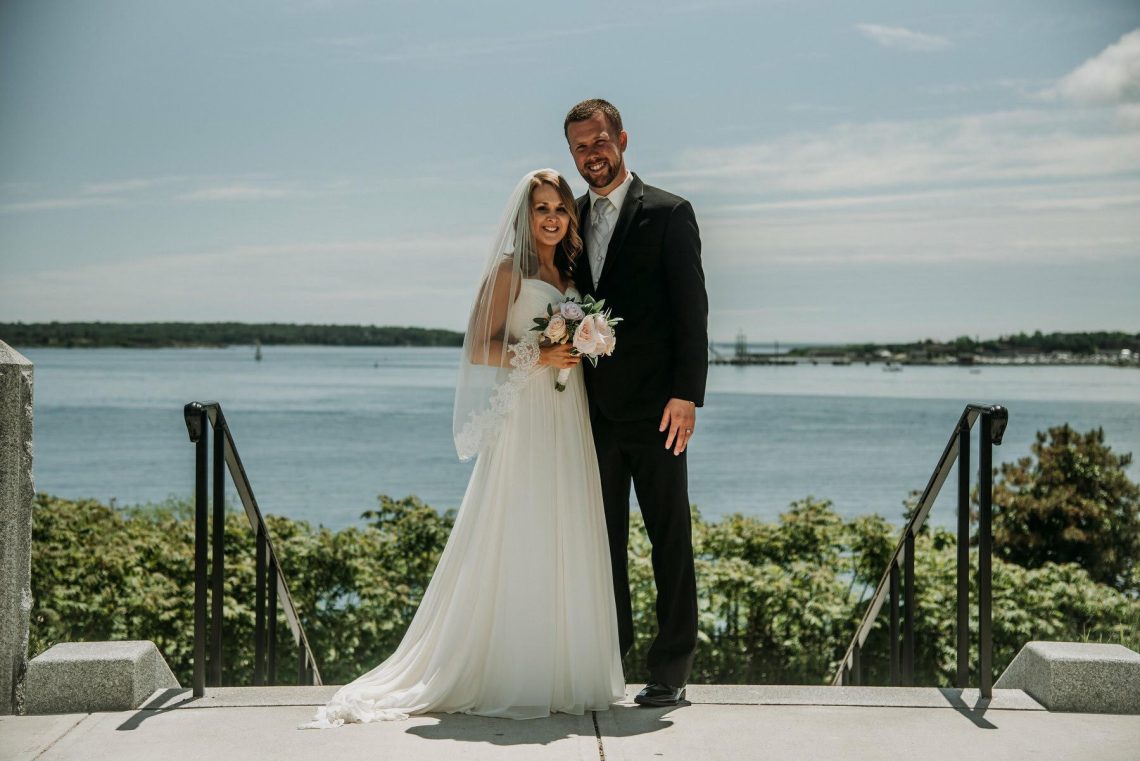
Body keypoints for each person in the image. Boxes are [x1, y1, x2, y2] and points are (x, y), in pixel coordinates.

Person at [299, 169, 624, 728]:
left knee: (564, 522)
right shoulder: (509, 271)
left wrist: (586, 340)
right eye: (541, 208)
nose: (551, 218)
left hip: (567, 414)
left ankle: (563, 668)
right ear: (525, 217)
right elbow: (478, 348)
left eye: (560, 209)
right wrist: (539, 355)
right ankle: (513, 669)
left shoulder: (571, 270)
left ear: (571, 216)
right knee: (521, 524)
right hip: (526, 413)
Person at [565, 99, 709, 708]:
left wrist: (686, 395)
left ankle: (671, 667)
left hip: (657, 412)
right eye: (579, 149)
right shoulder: (565, 217)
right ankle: (608, 660)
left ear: (621, 139)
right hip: (589, 413)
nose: (591, 156)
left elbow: (691, 311)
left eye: (599, 143)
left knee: (668, 536)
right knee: (603, 544)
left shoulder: (670, 213)